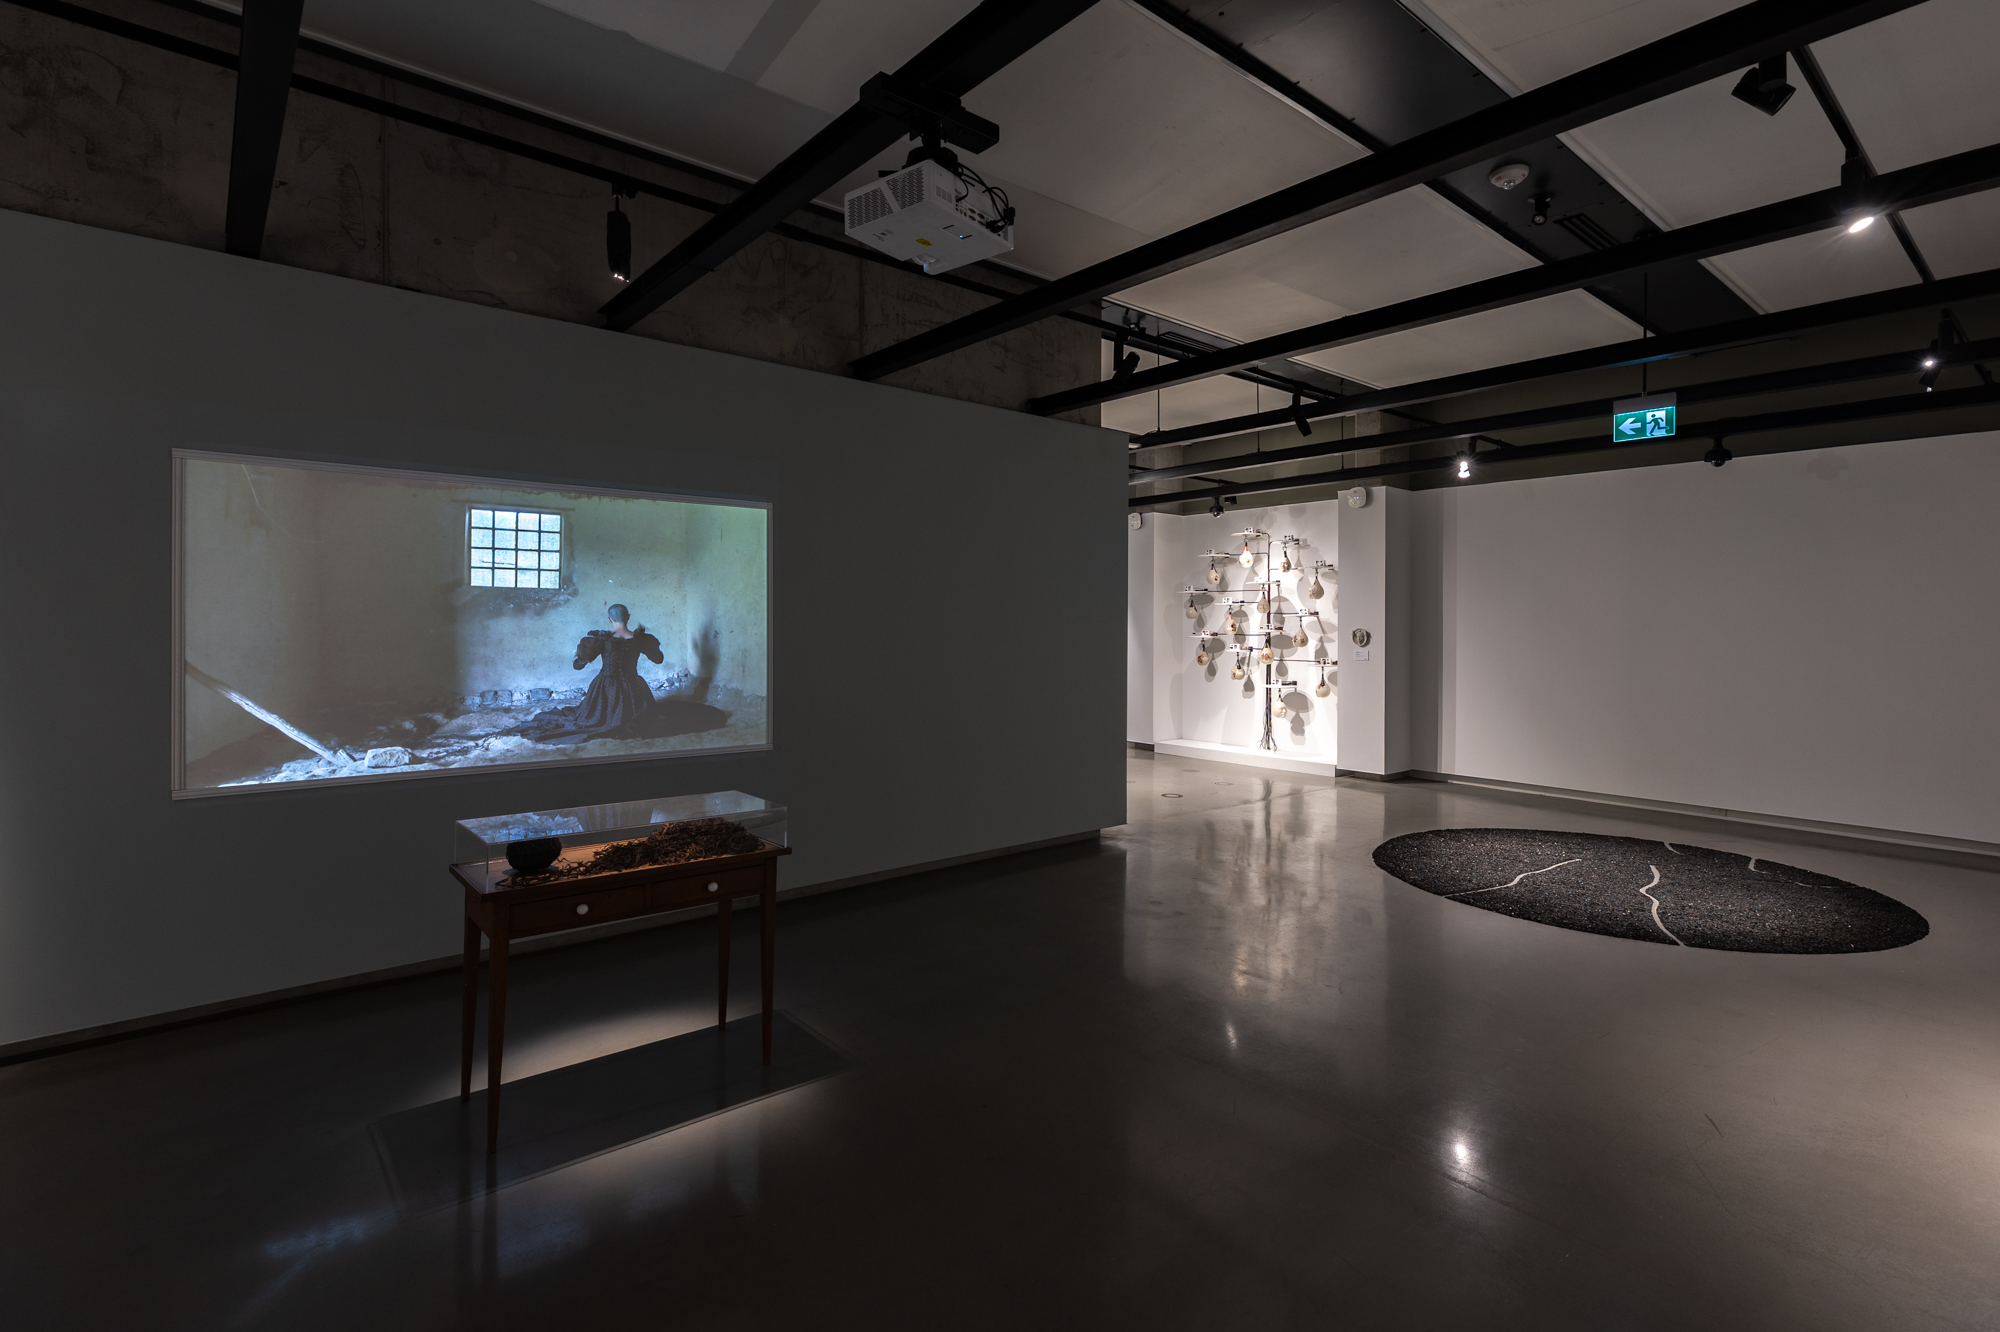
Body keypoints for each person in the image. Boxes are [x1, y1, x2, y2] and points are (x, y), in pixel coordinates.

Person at [522, 604, 663, 740]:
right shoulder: (641, 640)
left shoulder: (602, 640)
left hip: (606, 687)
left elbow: (578, 666)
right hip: (633, 686)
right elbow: (658, 659)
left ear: (610, 619)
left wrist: (580, 656)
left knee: (591, 717)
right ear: (628, 617)